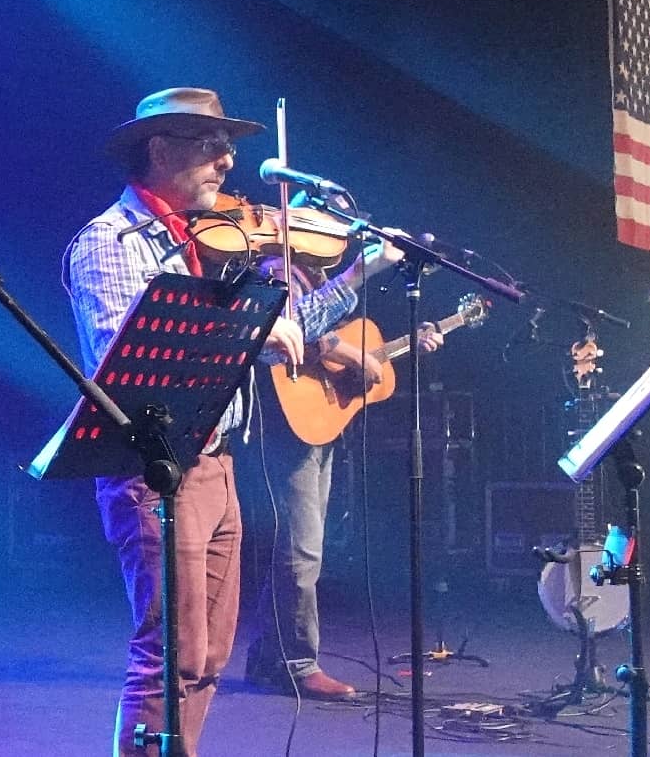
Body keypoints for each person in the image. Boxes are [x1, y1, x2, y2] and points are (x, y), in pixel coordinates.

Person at [64, 88, 401, 756]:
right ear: (159, 150)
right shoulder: (110, 241)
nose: (226, 160)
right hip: (155, 468)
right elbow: (123, 360)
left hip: (215, 463)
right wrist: (242, 329)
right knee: (171, 649)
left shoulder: (212, 242)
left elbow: (284, 331)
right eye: (209, 144)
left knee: (210, 652)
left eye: (228, 146)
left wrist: (359, 273)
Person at [244, 255, 442, 701]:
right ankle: (297, 664)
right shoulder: (278, 267)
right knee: (301, 550)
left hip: (318, 424)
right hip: (285, 424)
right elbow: (291, 328)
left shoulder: (315, 275)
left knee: (299, 550)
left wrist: (405, 344)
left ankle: (265, 658)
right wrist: (350, 353)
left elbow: (346, 350)